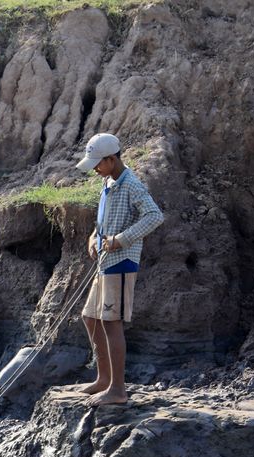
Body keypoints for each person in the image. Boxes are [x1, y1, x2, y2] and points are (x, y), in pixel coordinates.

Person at [74, 133, 163, 405]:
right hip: (106, 262)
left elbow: (154, 216)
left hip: (121, 262)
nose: (95, 169)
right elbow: (103, 220)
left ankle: (117, 390)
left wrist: (120, 240)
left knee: (112, 323)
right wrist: (93, 237)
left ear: (112, 159)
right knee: (91, 317)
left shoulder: (131, 185)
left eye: (98, 163)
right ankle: (103, 378)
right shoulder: (108, 181)